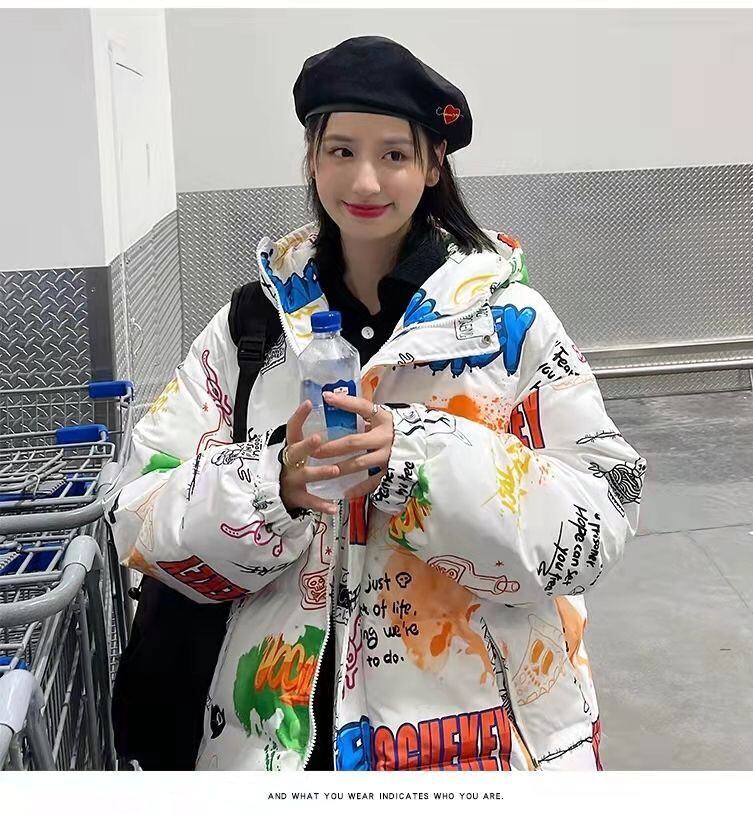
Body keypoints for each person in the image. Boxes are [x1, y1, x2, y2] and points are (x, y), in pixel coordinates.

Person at [105, 35, 645, 771]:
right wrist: (271, 487)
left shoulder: (510, 327)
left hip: (474, 753)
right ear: (311, 159)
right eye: (340, 151)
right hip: (274, 747)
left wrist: (419, 467)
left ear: (432, 165)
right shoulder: (251, 329)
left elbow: (601, 515)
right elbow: (137, 514)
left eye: (394, 154)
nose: (364, 180)